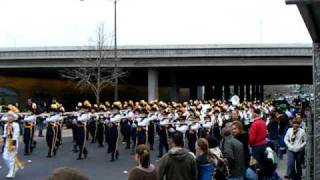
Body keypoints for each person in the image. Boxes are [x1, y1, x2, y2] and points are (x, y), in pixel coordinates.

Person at [2, 111, 24, 179]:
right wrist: (2, 140)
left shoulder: (15, 125)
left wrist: (13, 145)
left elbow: (16, 135)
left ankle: (11, 173)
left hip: (13, 142)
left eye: (10, 116)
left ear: (14, 117)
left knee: (11, 158)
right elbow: (5, 134)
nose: (9, 117)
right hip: (7, 142)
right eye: (8, 116)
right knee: (5, 157)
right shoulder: (6, 125)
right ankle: (14, 168)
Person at [249, 108, 267, 178]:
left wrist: (250, 144)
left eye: (252, 113)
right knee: (262, 163)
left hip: (256, 146)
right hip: (263, 144)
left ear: (255, 114)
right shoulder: (263, 122)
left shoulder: (254, 124)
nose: (251, 114)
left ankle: (255, 177)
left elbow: (252, 138)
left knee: (254, 164)